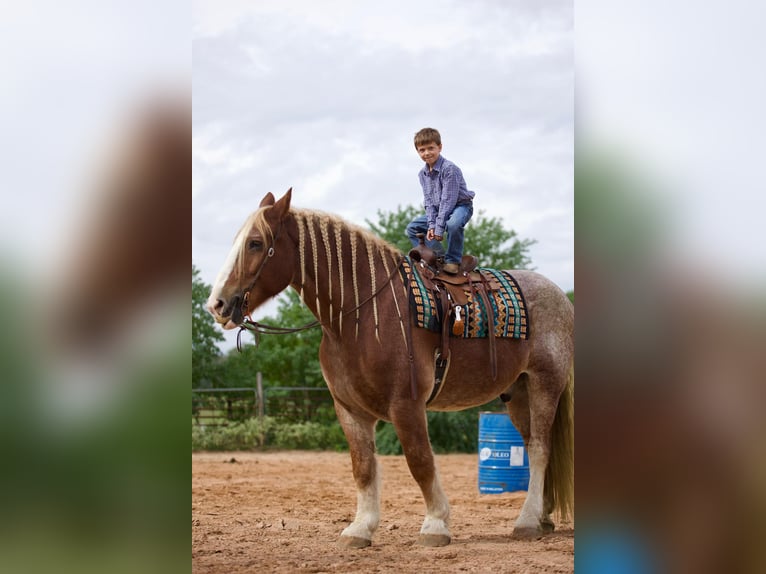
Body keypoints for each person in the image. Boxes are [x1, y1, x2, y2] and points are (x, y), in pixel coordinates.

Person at [406, 127, 475, 274]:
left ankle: (453, 260)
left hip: (460, 206)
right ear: (417, 151)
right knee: (413, 228)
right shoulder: (422, 174)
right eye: (422, 150)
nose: (427, 153)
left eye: (431, 148)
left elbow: (448, 201)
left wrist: (438, 229)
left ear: (440, 147)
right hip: (438, 211)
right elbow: (429, 202)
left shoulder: (449, 169)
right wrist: (431, 225)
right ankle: (438, 257)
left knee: (453, 224)